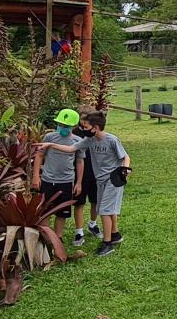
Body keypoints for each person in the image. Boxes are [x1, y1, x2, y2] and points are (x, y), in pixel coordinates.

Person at [31, 108, 84, 251]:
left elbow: (79, 162)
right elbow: (39, 156)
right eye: (60, 125)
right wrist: (36, 176)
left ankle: (58, 237)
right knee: (45, 210)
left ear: (73, 127)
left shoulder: (77, 141)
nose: (62, 128)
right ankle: (46, 237)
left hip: (66, 181)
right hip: (48, 180)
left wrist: (79, 182)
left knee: (62, 212)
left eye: (66, 126)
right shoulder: (49, 137)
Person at [77, 110, 130, 255]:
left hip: (113, 179)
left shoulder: (112, 140)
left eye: (86, 127)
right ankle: (115, 234)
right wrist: (50, 145)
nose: (83, 129)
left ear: (96, 127)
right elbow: (71, 148)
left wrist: (125, 172)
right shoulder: (90, 140)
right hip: (100, 180)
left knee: (104, 211)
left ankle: (107, 244)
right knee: (107, 208)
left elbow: (126, 157)